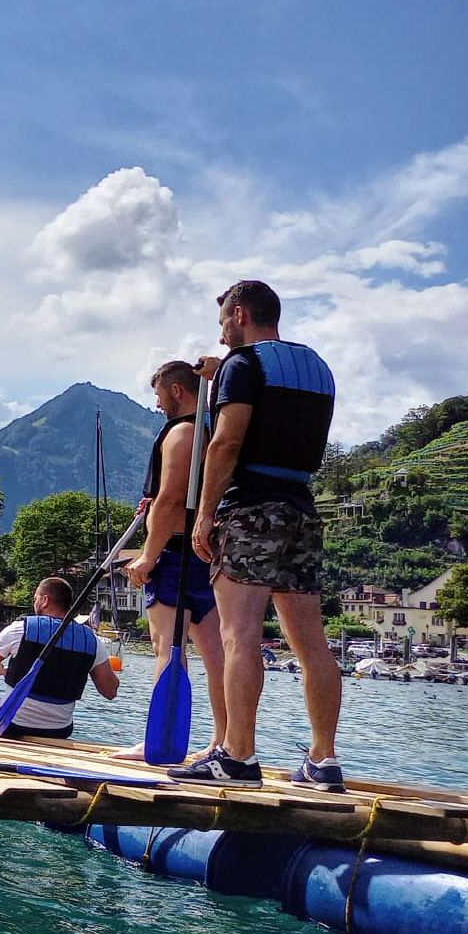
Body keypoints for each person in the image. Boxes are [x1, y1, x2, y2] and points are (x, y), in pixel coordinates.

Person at [174, 279, 343, 789]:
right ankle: (324, 761)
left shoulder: (244, 367)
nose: (222, 334)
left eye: (224, 321)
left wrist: (204, 515)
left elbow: (225, 444)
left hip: (250, 510)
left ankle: (237, 757)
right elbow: (278, 412)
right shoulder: (317, 368)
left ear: (241, 313)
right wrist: (222, 373)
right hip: (302, 511)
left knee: (238, 636)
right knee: (312, 644)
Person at [121, 360, 228, 755]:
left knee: (166, 645)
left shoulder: (182, 434)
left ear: (178, 391)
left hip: (176, 556)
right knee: (215, 651)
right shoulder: (211, 432)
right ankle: (225, 741)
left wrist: (148, 556)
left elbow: (169, 499)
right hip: (207, 556)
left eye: (159, 395)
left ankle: (160, 740)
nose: (158, 404)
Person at [0, 577, 120, 737]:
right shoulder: (92, 641)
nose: (34, 602)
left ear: (45, 600)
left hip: (12, 724)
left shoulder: (21, 628)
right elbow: (110, 691)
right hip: (59, 731)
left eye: (36, 598)